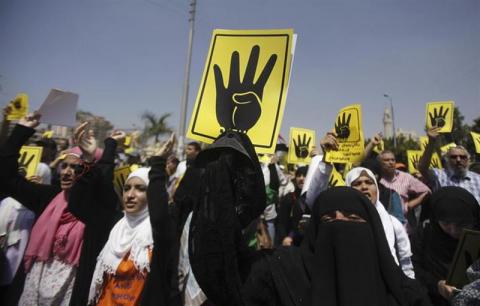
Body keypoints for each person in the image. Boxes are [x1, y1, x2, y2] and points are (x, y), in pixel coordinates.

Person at [0, 114, 95, 305]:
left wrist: (91, 158)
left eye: (75, 168)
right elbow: (6, 179)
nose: (67, 171)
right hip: (32, 290)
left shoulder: (93, 208)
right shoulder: (48, 197)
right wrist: (21, 131)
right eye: (64, 166)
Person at [411, 186, 480, 306]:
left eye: (461, 224)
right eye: (446, 223)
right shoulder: (425, 233)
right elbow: (413, 267)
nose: (453, 230)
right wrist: (436, 284)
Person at [419, 126, 480, 204]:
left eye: (462, 157)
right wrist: (431, 142)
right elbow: (422, 168)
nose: (458, 160)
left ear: (468, 160)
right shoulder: (439, 176)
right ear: (447, 160)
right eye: (453, 157)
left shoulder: (477, 179)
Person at [277, 166, 309, 246]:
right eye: (299, 175)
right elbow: (281, 221)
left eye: (305, 175)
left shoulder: (313, 198)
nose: (301, 178)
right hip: (291, 242)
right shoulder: (289, 197)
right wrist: (284, 237)